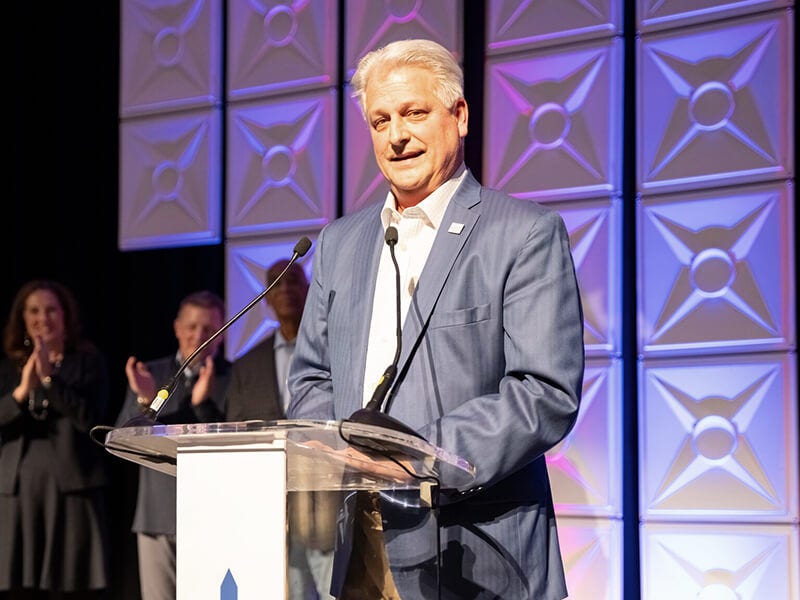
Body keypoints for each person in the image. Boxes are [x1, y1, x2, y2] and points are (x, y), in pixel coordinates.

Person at [286, 38, 585, 600]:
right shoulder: (337, 244)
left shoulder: (522, 234)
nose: (396, 135)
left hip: (478, 551)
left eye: (413, 113)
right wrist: (336, 450)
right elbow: (309, 377)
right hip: (361, 549)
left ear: (460, 115)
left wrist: (418, 457)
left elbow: (544, 391)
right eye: (379, 121)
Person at [225, 259, 337, 600]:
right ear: (266, 300)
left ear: (308, 291)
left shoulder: (335, 351)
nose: (286, 289)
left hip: (328, 497)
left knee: (336, 589)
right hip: (272, 503)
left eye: (294, 281)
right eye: (276, 283)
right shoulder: (247, 364)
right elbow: (235, 431)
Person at [115, 290, 230, 600]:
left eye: (208, 329)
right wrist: (144, 399)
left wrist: (205, 405)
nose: (199, 336)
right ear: (177, 328)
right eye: (191, 327)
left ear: (222, 334)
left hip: (212, 515)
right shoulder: (150, 374)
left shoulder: (233, 377)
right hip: (157, 513)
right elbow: (123, 441)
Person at [0, 279, 110, 599]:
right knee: (20, 584)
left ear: (65, 317)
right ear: (22, 317)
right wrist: (22, 390)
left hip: (71, 489)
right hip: (17, 491)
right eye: (33, 310)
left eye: (51, 310)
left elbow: (91, 421)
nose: (42, 318)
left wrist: (49, 380)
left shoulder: (87, 363)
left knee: (69, 585)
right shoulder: (8, 368)